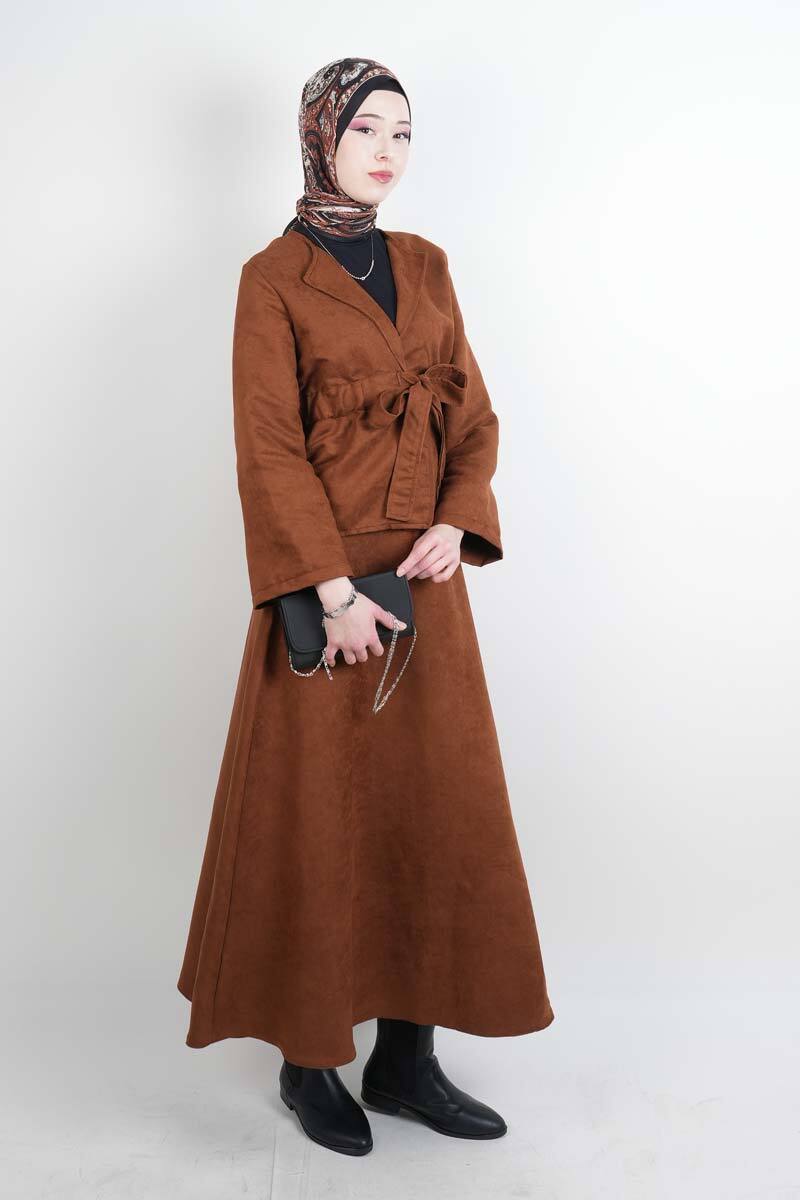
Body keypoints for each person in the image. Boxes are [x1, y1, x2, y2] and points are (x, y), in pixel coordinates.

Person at [177, 56, 555, 1157]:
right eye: (365, 130)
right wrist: (331, 590)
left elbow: (473, 416)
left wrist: (458, 520)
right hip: (327, 600)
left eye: (403, 132)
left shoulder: (426, 264)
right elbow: (267, 447)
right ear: (319, 138)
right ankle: (310, 1064)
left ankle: (406, 1061)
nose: (387, 151)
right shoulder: (272, 278)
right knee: (318, 820)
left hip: (425, 588)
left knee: (430, 815)